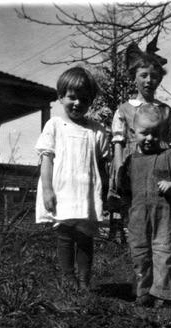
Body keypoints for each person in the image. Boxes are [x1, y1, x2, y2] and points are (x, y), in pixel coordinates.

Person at [35, 66, 110, 292]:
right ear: (60, 97)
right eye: (72, 97)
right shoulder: (55, 126)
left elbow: (102, 165)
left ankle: (85, 281)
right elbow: (46, 160)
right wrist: (48, 190)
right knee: (66, 235)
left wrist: (104, 196)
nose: (77, 103)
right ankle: (68, 278)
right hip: (62, 191)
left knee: (85, 237)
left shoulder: (96, 130)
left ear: (91, 101)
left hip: (86, 193)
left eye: (84, 99)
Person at [118, 104, 171, 308]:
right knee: (140, 254)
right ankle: (143, 291)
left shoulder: (169, 156)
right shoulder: (130, 162)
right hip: (138, 217)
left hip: (164, 217)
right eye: (144, 133)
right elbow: (124, 190)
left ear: (162, 132)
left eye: (155, 133)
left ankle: (163, 294)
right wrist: (125, 213)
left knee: (164, 253)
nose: (150, 138)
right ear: (133, 132)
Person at [109, 38, 171, 223]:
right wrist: (119, 169)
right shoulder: (124, 109)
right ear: (134, 77)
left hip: (159, 165)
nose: (149, 80)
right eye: (143, 75)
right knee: (134, 212)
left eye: (154, 76)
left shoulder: (166, 111)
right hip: (132, 163)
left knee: (159, 210)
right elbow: (118, 142)